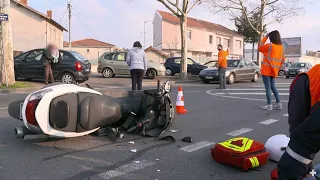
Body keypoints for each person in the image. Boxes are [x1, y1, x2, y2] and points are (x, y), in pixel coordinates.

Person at [277, 64, 320, 180]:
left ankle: (309, 173)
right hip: (304, 84)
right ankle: (309, 172)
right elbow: (305, 141)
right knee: (296, 156)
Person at [258, 30, 284, 110]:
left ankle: (269, 104)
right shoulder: (281, 48)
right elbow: (282, 60)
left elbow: (259, 47)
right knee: (273, 87)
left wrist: (265, 37)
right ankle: (278, 103)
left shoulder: (270, 46)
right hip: (274, 70)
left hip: (266, 70)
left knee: (268, 88)